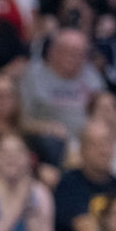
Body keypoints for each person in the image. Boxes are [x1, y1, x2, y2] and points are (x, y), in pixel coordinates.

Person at [19, 28, 105, 167]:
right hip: (54, 142)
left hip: (90, 139)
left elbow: (106, 110)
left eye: (79, 53)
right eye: (68, 52)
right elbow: (21, 120)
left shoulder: (92, 77)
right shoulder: (33, 76)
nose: (74, 58)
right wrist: (46, 127)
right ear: (52, 52)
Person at [54, 119, 116, 231]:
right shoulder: (68, 185)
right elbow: (85, 228)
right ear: (82, 150)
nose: (103, 151)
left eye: (107, 143)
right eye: (95, 144)